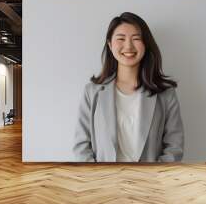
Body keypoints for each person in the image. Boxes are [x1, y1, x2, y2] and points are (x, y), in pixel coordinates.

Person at [74, 12, 184, 162]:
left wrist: (152, 181)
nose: (128, 46)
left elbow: (174, 147)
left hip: (150, 183)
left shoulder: (165, 94)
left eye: (136, 38)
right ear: (110, 44)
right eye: (121, 39)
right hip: (104, 183)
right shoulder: (92, 92)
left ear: (145, 44)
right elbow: (81, 147)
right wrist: (97, 181)